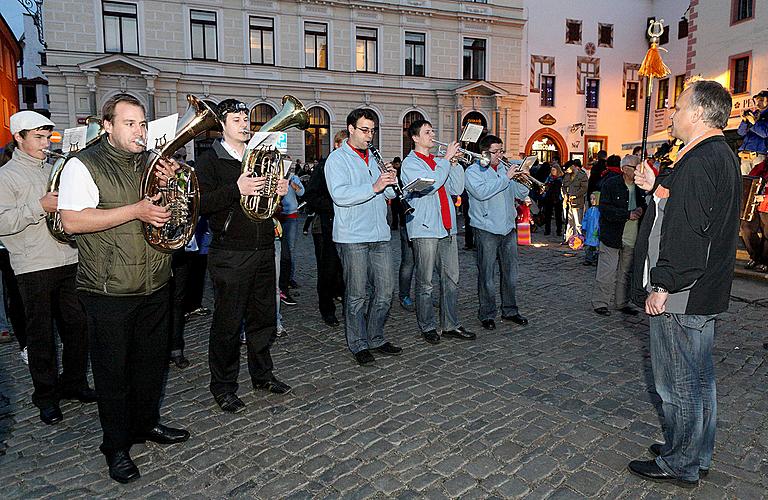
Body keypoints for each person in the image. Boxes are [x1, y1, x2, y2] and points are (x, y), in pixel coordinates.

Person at [58, 94, 189, 483]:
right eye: (129, 123)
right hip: (108, 289)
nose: (139, 131)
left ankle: (146, 423)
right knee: (113, 372)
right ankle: (115, 445)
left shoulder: (148, 162)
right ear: (108, 127)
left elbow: (163, 212)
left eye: (142, 124)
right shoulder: (82, 165)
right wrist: (135, 210)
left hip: (154, 281)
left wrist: (166, 185)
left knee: (150, 365)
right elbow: (72, 221)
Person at [627, 79, 741, 488]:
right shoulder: (718, 155)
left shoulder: (699, 162)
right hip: (702, 290)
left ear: (697, 113)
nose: (672, 114)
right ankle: (694, 449)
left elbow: (690, 233)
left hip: (683, 294)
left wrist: (664, 283)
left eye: (677, 107)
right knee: (699, 378)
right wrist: (654, 187)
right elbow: (690, 212)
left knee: (678, 382)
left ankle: (681, 462)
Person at [195, 99, 292, 414]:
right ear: (223, 124)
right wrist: (237, 188)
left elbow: (267, 208)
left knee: (263, 319)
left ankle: (262, 375)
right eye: (237, 119)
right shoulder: (209, 160)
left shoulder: (263, 155)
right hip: (230, 252)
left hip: (263, 246)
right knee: (227, 323)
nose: (245, 123)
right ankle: (223, 387)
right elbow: (202, 204)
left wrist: (277, 192)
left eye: (246, 118)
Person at [0, 110, 95, 427]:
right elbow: (2, 222)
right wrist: (38, 206)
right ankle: (46, 396)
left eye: (47, 137)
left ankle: (74, 383)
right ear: (19, 138)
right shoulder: (6, 175)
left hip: (68, 258)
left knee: (78, 327)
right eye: (38, 138)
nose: (45, 143)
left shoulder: (55, 168)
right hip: (33, 265)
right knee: (40, 335)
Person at [325, 108, 403, 365]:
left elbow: (388, 195)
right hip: (352, 236)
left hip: (379, 233)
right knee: (357, 294)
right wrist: (375, 186)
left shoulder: (374, 158)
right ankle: (358, 343)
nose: (370, 136)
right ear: (351, 129)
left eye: (372, 131)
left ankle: (376, 336)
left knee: (385, 292)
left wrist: (392, 183)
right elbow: (341, 195)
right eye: (365, 130)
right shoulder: (337, 159)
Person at [401, 120, 473, 344]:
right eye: (427, 132)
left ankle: (450, 324)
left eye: (433, 131)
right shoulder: (410, 164)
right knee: (425, 282)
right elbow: (431, 186)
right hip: (425, 229)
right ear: (415, 138)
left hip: (447, 226)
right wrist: (445, 161)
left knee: (451, 279)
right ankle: (427, 325)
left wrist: (454, 164)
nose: (433, 135)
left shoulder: (437, 162)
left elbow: (456, 188)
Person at [464, 135, 530, 331]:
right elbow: (482, 193)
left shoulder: (504, 169)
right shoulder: (473, 171)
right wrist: (506, 178)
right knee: (487, 275)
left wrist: (523, 180)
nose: (501, 155)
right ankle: (487, 313)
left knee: (510, 274)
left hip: (508, 228)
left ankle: (510, 310)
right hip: (486, 229)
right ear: (484, 152)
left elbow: (519, 194)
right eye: (496, 152)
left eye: (502, 151)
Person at [592, 155, 646, 316]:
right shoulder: (611, 184)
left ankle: (622, 302)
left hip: (632, 236)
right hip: (612, 235)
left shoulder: (639, 187)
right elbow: (605, 209)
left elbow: (644, 204)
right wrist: (627, 215)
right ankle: (600, 303)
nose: (638, 171)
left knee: (625, 272)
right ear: (624, 169)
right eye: (635, 168)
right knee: (607, 271)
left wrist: (641, 209)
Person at [303, 131, 346, 326]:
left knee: (346, 269)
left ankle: (348, 304)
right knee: (326, 270)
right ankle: (327, 309)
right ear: (336, 144)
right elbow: (310, 196)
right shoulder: (323, 167)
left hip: (346, 226)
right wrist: (336, 204)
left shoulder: (350, 165)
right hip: (324, 226)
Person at [278, 163, 304, 299]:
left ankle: (289, 278)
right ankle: (280, 279)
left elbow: (302, 192)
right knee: (279, 250)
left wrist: (293, 185)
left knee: (290, 248)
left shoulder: (294, 178)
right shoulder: (275, 176)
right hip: (278, 216)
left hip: (291, 217)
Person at [736, 89, 767, 175]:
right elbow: (741, 133)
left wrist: (754, 123)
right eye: (757, 100)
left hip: (759, 156)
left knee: (756, 183)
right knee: (745, 183)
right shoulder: (754, 114)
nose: (758, 103)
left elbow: (765, 133)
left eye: (761, 100)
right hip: (745, 155)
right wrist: (745, 121)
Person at [561, 159, 588, 244]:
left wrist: (575, 195)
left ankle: (579, 240)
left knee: (578, 223)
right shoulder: (567, 176)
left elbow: (584, 188)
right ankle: (568, 239)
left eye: (568, 169)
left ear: (572, 167)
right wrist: (564, 195)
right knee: (569, 222)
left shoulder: (582, 176)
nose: (567, 171)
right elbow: (563, 187)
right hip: (568, 203)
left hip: (577, 203)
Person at [541, 164, 563, 236]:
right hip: (549, 198)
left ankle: (559, 230)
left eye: (554, 170)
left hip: (557, 198)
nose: (552, 171)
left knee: (558, 216)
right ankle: (547, 230)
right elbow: (545, 185)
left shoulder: (561, 178)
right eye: (552, 170)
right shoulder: (549, 178)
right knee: (548, 215)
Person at [581, 192, 600, 266]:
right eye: (591, 199)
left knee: (596, 247)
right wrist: (584, 228)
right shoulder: (589, 210)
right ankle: (588, 259)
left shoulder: (600, 211)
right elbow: (585, 219)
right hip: (589, 232)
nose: (592, 200)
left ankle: (595, 260)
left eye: (594, 199)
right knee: (588, 247)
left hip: (596, 232)